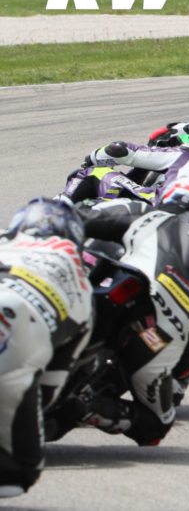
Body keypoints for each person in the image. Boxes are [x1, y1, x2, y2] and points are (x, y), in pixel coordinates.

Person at [60, 174, 189, 446]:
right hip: (156, 340)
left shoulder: (146, 217)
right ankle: (90, 408)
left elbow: (80, 222)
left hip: (109, 298)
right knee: (155, 427)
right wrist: (176, 385)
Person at [0, 199, 92, 497]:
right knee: (20, 471)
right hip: (16, 325)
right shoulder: (79, 279)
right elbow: (51, 384)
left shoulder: (5, 239)